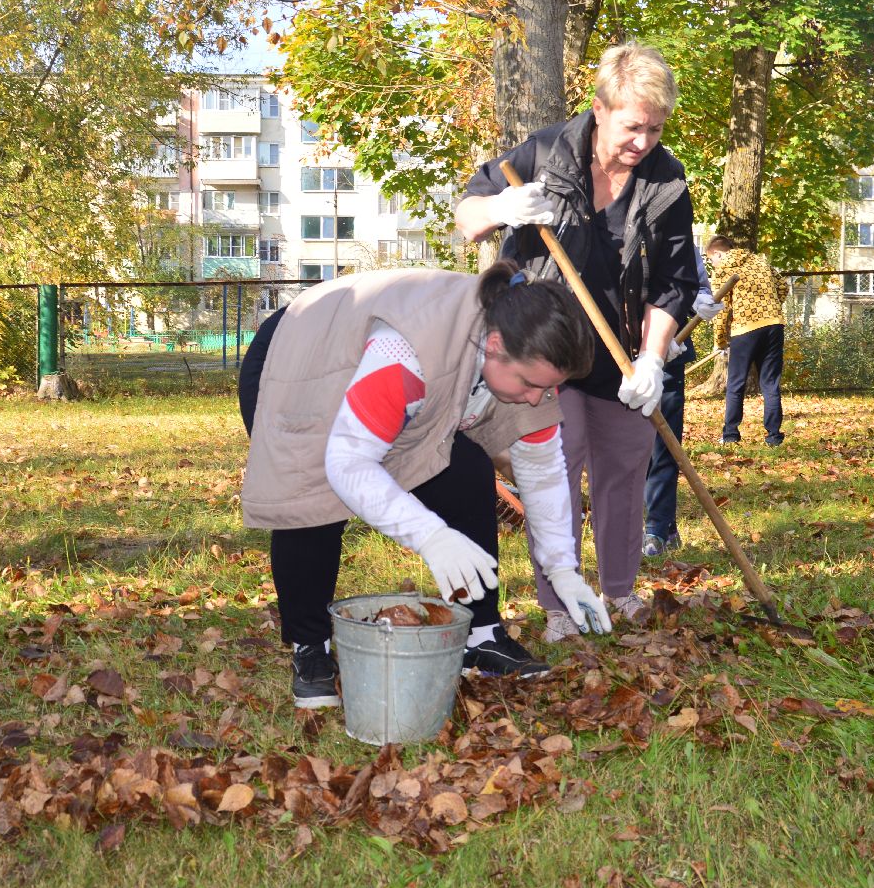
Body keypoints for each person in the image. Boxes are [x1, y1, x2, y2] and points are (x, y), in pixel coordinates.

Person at [239, 262, 611, 709]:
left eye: (547, 388)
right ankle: (310, 649)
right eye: (531, 385)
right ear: (494, 346)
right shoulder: (408, 353)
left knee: (467, 471)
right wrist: (432, 537)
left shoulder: (526, 354)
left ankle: (480, 635)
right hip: (303, 353)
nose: (536, 398)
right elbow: (349, 464)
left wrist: (563, 568)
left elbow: (543, 467)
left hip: (394, 373)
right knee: (312, 499)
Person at [455, 43, 699, 642]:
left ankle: (618, 590)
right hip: (545, 350)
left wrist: (652, 359)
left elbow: (674, 284)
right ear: (600, 108)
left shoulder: (665, 180)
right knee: (553, 474)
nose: (643, 141)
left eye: (656, 128)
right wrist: (501, 206)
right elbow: (466, 215)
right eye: (632, 125)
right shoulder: (543, 152)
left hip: (620, 356)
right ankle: (559, 604)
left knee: (624, 468)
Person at [641, 238, 724, 558]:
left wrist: (700, 299)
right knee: (635, 449)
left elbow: (696, 284)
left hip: (670, 357)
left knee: (665, 445)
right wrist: (646, 346)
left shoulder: (676, 238)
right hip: (626, 358)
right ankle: (658, 523)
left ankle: (658, 527)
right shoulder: (611, 233)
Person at [714, 242, 788, 446]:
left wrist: (720, 340)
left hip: (745, 328)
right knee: (770, 383)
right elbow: (783, 285)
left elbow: (721, 307)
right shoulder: (759, 261)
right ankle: (774, 437)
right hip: (774, 324)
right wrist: (769, 309)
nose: (713, 266)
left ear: (718, 254)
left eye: (712, 260)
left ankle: (730, 435)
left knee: (736, 384)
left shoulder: (724, 268)